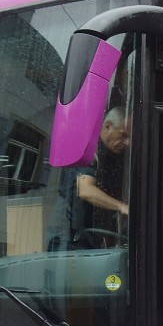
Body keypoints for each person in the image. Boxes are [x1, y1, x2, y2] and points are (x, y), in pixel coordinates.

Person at [47, 107, 131, 250]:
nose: (127, 142)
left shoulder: (110, 156)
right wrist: (122, 207)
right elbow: (85, 190)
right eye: (123, 135)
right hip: (67, 240)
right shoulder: (90, 150)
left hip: (85, 236)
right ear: (108, 126)